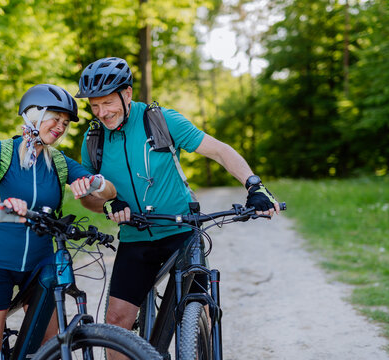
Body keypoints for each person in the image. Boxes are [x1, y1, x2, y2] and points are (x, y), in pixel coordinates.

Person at [75, 57, 280, 354]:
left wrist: (254, 185)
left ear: (127, 93)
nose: (102, 113)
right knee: (116, 322)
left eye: (108, 103)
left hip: (181, 231)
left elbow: (220, 151)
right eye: (95, 106)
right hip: (135, 238)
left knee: (200, 311)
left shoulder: (160, 120)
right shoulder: (93, 140)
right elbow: (87, 197)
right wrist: (107, 205)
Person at [0, 83, 117, 360]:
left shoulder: (59, 163)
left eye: (65, 122)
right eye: (55, 118)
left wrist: (95, 183)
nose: (61, 127)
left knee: (50, 346)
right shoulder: (1, 150)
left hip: (41, 263)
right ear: (33, 115)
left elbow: (109, 191)